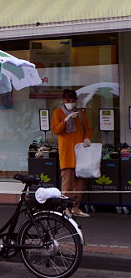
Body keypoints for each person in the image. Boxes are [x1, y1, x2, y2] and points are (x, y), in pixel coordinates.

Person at [51, 89, 92, 218]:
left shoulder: (80, 113)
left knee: (80, 183)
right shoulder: (57, 112)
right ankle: (65, 208)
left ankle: (76, 207)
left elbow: (88, 129)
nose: (71, 103)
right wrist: (66, 119)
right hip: (67, 153)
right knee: (67, 183)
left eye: (73, 101)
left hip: (80, 152)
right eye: (68, 101)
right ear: (63, 100)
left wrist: (87, 138)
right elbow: (56, 130)